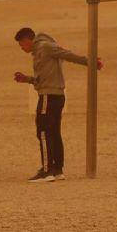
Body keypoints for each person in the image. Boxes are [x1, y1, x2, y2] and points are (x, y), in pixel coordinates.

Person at [13, 27, 103, 183]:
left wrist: (90, 61)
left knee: (42, 131)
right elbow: (42, 79)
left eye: (21, 45)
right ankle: (57, 170)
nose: (22, 48)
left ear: (27, 40)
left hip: (49, 96)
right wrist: (26, 79)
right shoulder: (41, 50)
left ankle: (47, 171)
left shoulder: (44, 47)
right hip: (54, 95)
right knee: (53, 132)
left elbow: (67, 54)